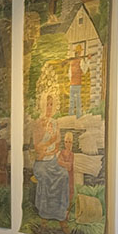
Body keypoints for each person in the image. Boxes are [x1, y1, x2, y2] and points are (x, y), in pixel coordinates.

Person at [31, 94, 71, 222]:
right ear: (42, 105)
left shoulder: (55, 123)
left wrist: (51, 150)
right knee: (45, 176)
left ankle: (60, 211)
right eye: (47, 104)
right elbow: (37, 147)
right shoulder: (38, 123)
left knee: (64, 174)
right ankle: (45, 212)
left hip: (53, 160)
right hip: (41, 163)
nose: (49, 107)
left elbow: (57, 145)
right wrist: (49, 142)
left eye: (51, 104)